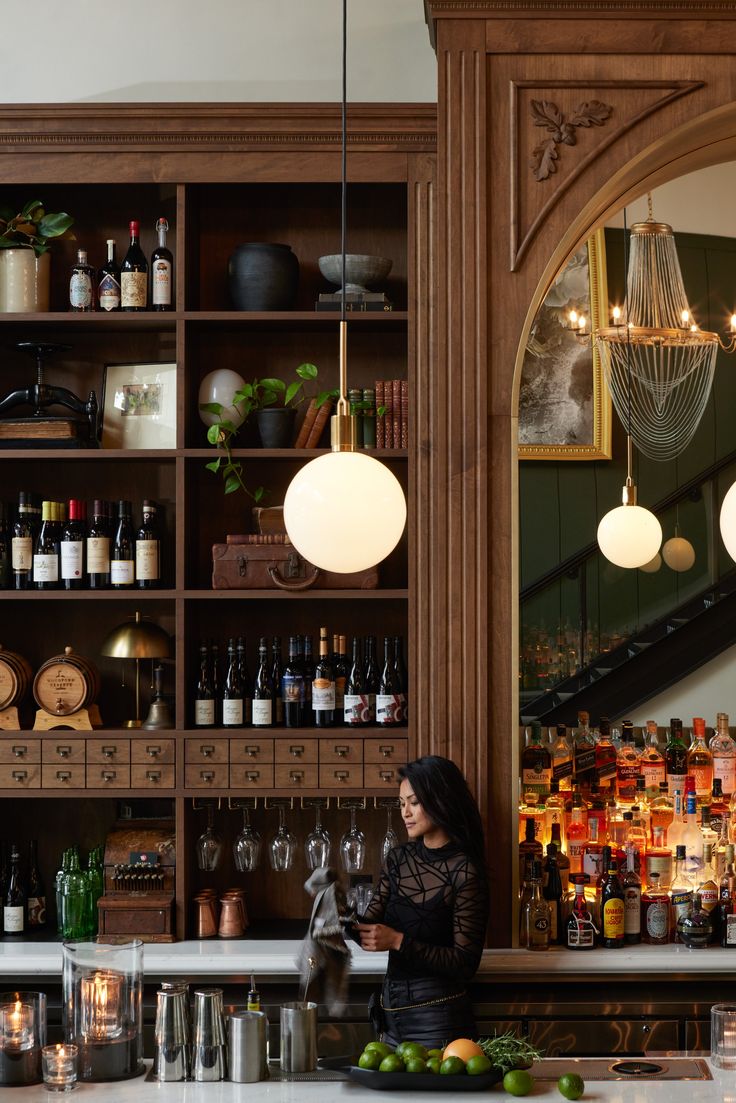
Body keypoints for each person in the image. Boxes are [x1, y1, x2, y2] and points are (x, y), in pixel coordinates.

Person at [355, 755, 489, 1048]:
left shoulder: (464, 870)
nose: (405, 812)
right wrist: (333, 908)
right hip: (390, 1018)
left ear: (440, 799)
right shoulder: (398, 859)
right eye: (401, 803)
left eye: (413, 802)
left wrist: (398, 941)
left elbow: (465, 963)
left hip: (439, 1018)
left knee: (435, 1095)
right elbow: (367, 927)